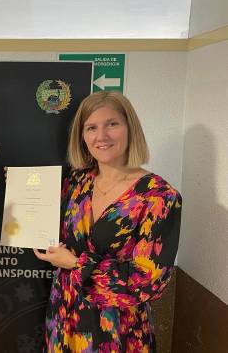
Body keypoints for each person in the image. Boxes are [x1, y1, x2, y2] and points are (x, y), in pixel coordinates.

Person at [33, 91, 181, 352]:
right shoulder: (77, 182)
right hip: (64, 318)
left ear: (129, 128)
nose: (101, 136)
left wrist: (76, 264)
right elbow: (42, 222)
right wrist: (12, 203)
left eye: (112, 124)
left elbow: (149, 281)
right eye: (91, 128)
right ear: (82, 136)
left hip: (118, 330)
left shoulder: (159, 196)